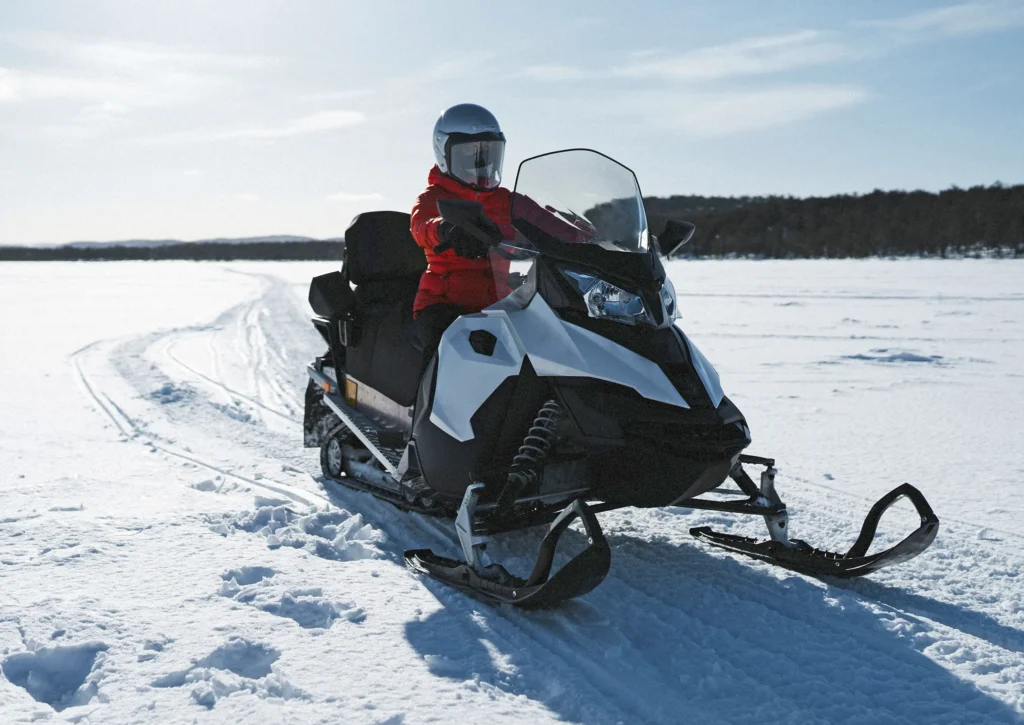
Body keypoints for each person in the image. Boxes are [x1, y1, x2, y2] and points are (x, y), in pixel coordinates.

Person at [409, 103, 514, 358]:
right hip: (443, 303)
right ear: (445, 154)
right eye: (471, 155)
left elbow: (543, 219)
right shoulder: (434, 197)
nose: (481, 163)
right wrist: (446, 229)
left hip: (500, 303)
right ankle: (429, 397)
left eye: (488, 154)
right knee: (446, 347)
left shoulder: (506, 200)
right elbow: (421, 225)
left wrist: (586, 234)